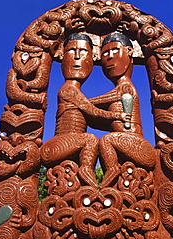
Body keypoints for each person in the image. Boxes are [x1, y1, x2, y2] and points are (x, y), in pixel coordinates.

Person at [41, 33, 130, 188]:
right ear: (62, 55)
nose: (76, 57)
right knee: (90, 139)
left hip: (67, 145)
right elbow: (92, 111)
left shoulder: (78, 95)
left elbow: (92, 115)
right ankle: (87, 175)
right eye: (71, 51)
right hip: (54, 148)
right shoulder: (68, 90)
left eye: (82, 52)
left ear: (92, 57)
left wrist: (113, 121)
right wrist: (118, 115)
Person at [89, 32, 156, 187]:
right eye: (105, 53)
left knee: (107, 139)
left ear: (130, 52)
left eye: (115, 51)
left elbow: (92, 104)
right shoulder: (120, 89)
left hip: (138, 146)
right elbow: (102, 118)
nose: (110, 57)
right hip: (126, 145)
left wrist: (76, 101)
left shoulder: (125, 87)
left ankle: (111, 172)